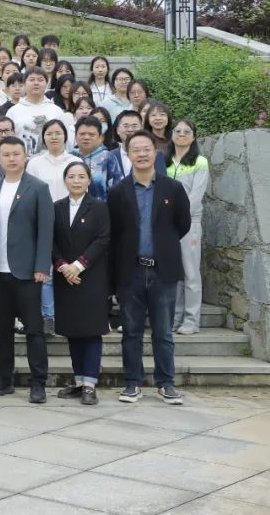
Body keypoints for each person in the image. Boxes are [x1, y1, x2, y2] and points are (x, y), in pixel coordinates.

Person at [108, 130, 191, 405]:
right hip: (130, 272)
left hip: (163, 270)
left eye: (146, 149)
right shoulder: (117, 192)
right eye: (136, 150)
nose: (142, 154)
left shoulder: (172, 189)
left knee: (163, 332)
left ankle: (166, 383)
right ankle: (132, 383)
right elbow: (114, 233)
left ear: (155, 152)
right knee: (131, 331)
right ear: (128, 154)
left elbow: (182, 224)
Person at [0, 137, 54, 403]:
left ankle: (39, 382)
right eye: (6, 154)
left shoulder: (38, 188)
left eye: (16, 154)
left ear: (25, 156)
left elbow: (46, 229)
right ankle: (4, 379)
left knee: (34, 329)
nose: (12, 159)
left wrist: (42, 266)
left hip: (27, 272)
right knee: (3, 330)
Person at [52, 161, 111, 405]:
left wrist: (78, 265)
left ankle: (90, 384)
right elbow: (50, 240)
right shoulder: (56, 207)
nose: (76, 181)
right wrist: (63, 266)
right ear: (65, 180)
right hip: (65, 278)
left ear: (89, 180)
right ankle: (78, 382)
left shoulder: (99, 207)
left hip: (91, 277)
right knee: (73, 331)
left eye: (81, 176)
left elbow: (103, 239)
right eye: (71, 176)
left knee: (91, 331)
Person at [26, 119, 81, 336]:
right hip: (43, 220)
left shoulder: (75, 161)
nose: (54, 137)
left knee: (70, 268)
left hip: (71, 220)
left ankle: (69, 315)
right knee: (47, 272)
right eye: (49, 133)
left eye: (58, 133)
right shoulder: (35, 163)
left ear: (66, 136)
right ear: (44, 138)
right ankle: (49, 316)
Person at [166, 120, 209, 336]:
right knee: (174, 273)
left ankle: (192, 320)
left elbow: (196, 196)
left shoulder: (199, 162)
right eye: (177, 131)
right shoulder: (165, 162)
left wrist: (179, 218)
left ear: (193, 137)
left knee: (191, 273)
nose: (181, 134)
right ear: (171, 135)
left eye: (187, 131)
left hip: (190, 223)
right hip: (167, 225)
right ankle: (175, 319)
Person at [8, 67, 71, 157]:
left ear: (46, 84)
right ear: (24, 84)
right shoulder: (13, 111)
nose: (36, 83)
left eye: (40, 80)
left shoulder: (56, 111)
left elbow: (66, 140)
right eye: (32, 80)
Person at [71, 116, 124, 201]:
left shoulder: (108, 158)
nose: (86, 137)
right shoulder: (70, 157)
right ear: (75, 136)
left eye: (91, 134)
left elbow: (118, 189)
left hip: (102, 207)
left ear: (100, 138)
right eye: (82, 134)